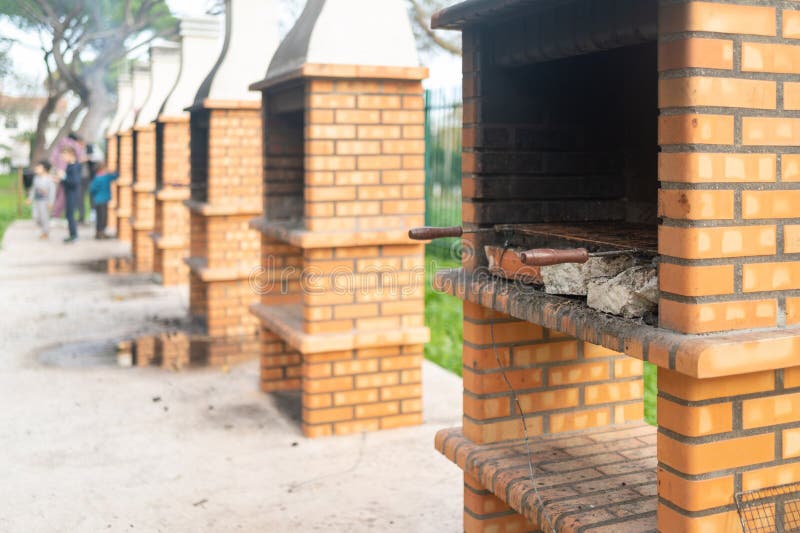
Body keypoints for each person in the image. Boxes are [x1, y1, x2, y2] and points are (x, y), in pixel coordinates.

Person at [26, 160, 56, 239]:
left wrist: (51, 202)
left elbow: (52, 191)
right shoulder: (36, 178)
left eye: (39, 167)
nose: (36, 169)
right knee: (35, 215)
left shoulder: (49, 179)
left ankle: (45, 232)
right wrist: (30, 199)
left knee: (44, 217)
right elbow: (33, 189)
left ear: (45, 169)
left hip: (45, 201)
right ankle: (41, 227)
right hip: (37, 201)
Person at [88, 165, 118, 239]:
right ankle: (101, 233)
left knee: (99, 218)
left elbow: (92, 189)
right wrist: (112, 171)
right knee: (103, 218)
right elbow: (116, 175)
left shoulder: (96, 178)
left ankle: (98, 233)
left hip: (97, 200)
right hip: (103, 201)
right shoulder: (106, 177)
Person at [60, 146, 82, 243]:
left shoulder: (74, 166)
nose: (62, 158)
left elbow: (74, 182)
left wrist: (63, 177)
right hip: (69, 193)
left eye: (64, 155)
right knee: (68, 214)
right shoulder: (70, 165)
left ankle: (74, 235)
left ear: (70, 155)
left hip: (73, 194)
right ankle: (72, 234)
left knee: (70, 215)